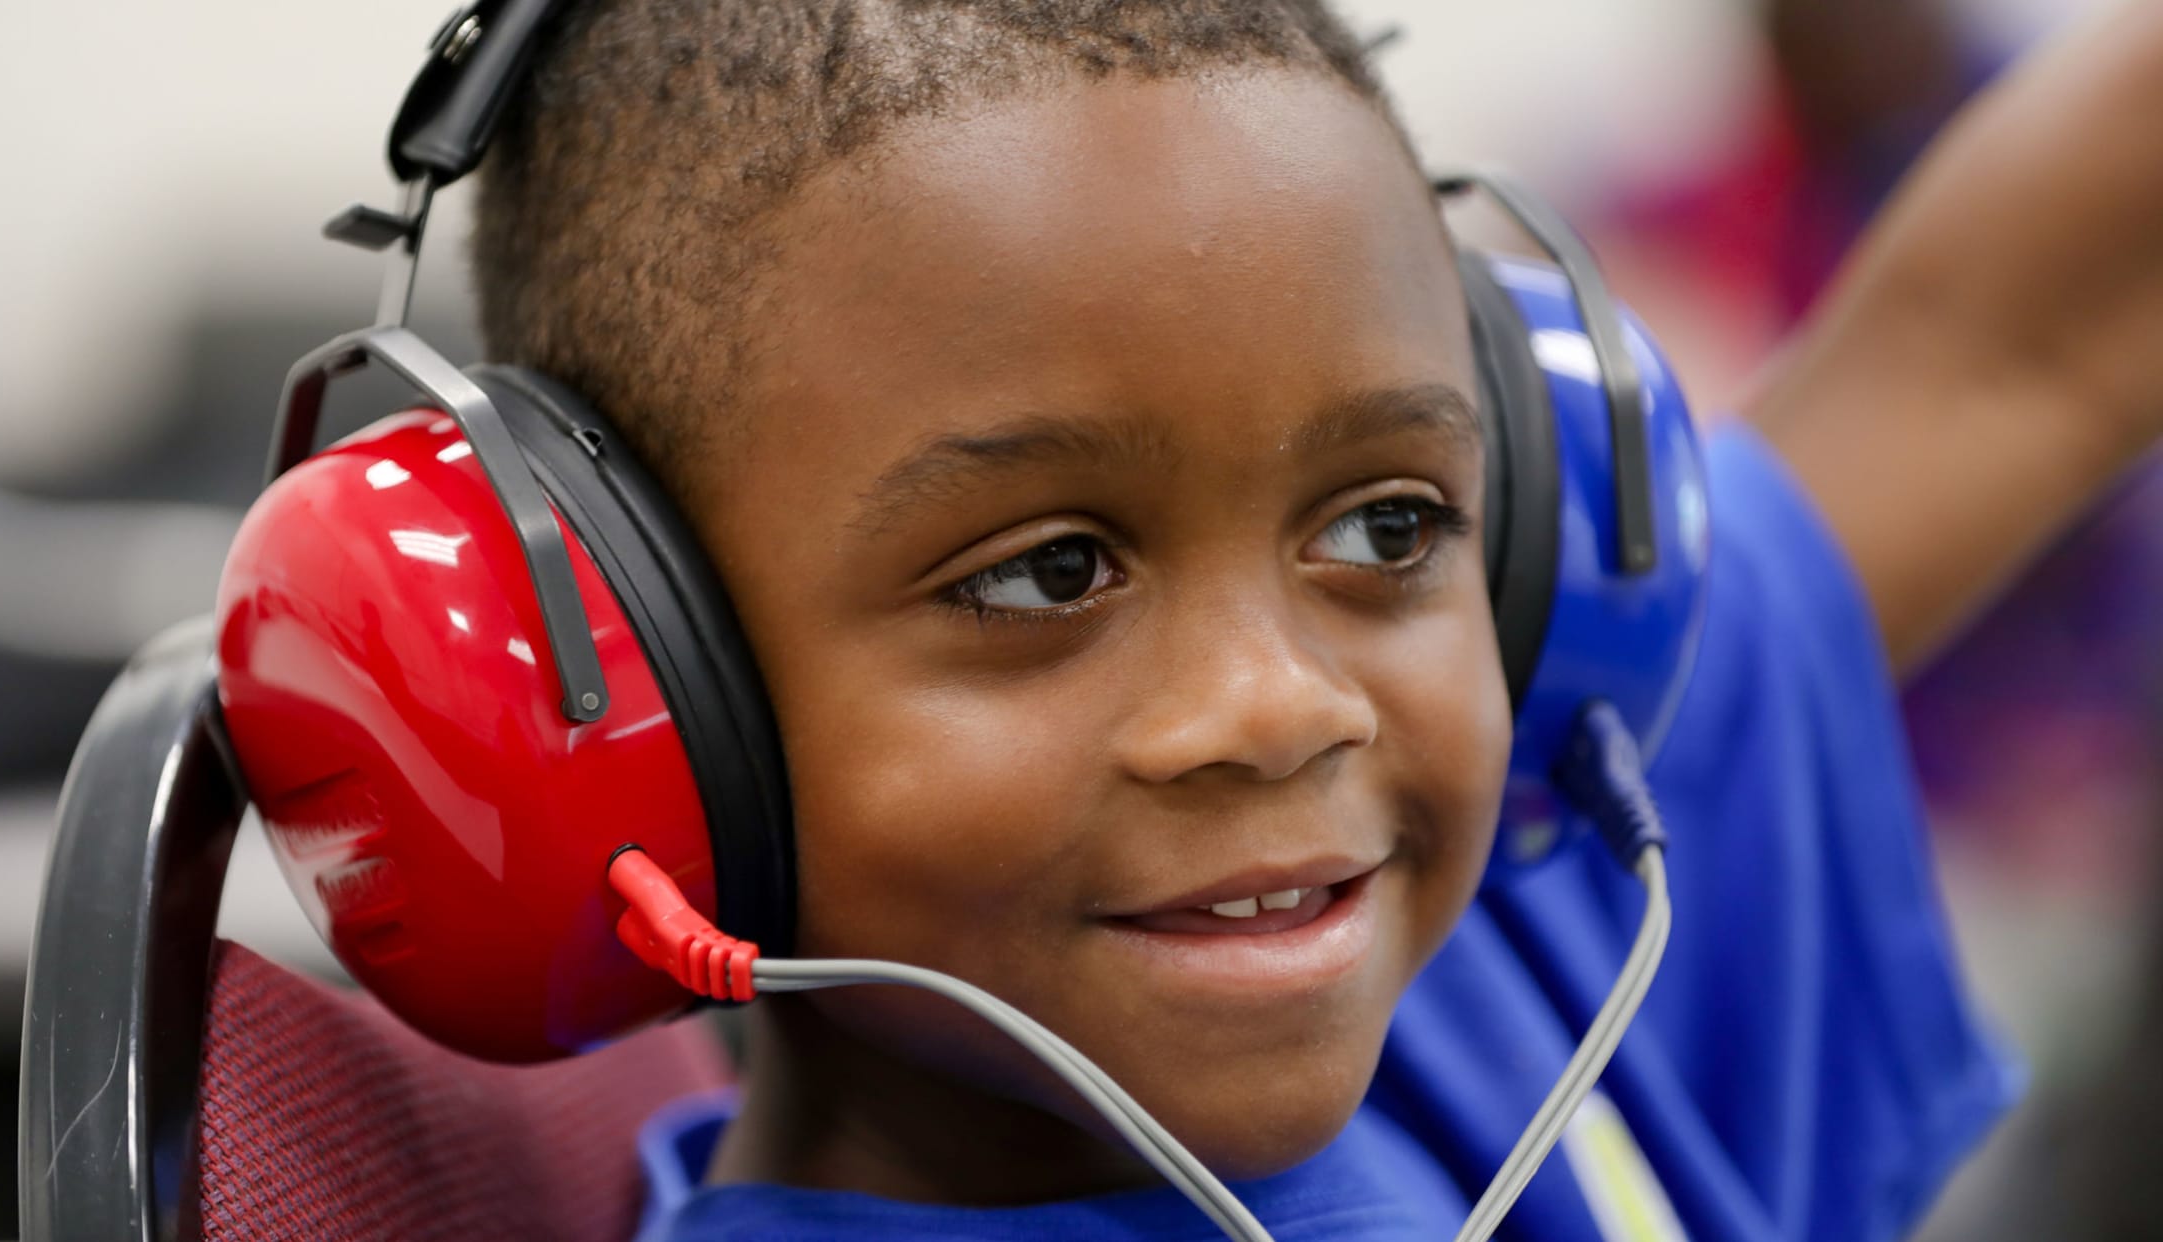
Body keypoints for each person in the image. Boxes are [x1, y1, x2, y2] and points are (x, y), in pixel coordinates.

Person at [445, 2, 2163, 1238]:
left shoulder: (1516, 940)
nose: (1281, 706)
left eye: (1387, 523)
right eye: (1050, 571)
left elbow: (2015, 341)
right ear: (628, 657)